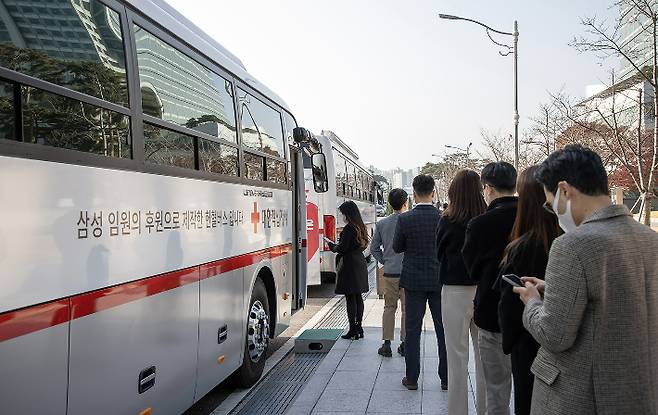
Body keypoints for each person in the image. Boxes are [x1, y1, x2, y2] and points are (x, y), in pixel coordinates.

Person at [513, 145, 658, 415]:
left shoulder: (572, 245)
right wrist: (553, 289)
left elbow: (554, 334)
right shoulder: (650, 239)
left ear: (565, 190)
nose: (554, 211)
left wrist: (532, 302)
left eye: (550, 202)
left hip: (581, 396)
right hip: (637, 391)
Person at [496, 166, 560, 415]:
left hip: (529, 344)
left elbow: (509, 306)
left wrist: (509, 341)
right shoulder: (565, 239)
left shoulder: (523, 246)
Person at [462, 161, 518, 415]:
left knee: (496, 390)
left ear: (488, 188)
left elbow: (472, 270)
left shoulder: (479, 225)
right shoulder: (534, 220)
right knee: (529, 389)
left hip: (491, 312)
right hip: (530, 314)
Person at [437, 170, 487, 415]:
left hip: (454, 291)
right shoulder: (486, 217)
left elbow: (439, 255)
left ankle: (457, 411)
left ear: (453, 191)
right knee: (484, 358)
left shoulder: (446, 219)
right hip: (483, 291)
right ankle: (485, 410)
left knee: (456, 359)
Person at [392, 174, 447, 391]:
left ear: (413, 194)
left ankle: (412, 378)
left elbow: (397, 247)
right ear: (433, 193)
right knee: (443, 330)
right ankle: (445, 379)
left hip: (413, 280)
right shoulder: (443, 217)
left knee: (412, 330)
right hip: (439, 279)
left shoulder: (405, 219)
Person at [371, 188, 408, 357]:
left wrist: (384, 260)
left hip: (390, 272)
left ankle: (386, 344)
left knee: (389, 307)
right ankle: (405, 343)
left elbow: (374, 248)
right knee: (407, 310)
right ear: (405, 202)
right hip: (408, 272)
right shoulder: (409, 220)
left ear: (389, 203)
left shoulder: (382, 224)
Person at [328, 200, 370, 340]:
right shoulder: (361, 227)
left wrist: (332, 246)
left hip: (349, 264)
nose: (343, 216)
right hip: (359, 262)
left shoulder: (349, 228)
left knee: (350, 297)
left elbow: (342, 248)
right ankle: (359, 328)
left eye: (343, 213)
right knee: (358, 297)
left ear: (348, 214)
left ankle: (352, 329)